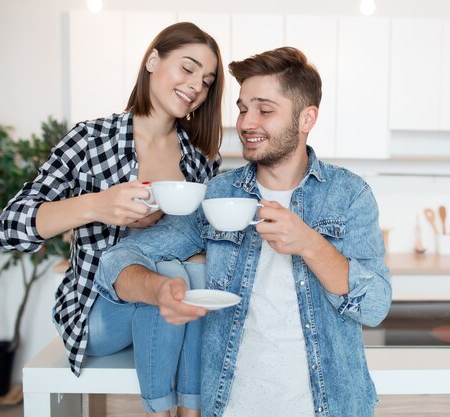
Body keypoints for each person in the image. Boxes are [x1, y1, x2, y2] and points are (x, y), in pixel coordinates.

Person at [96, 46, 392, 417]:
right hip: (231, 405)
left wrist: (310, 244)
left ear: (306, 118)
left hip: (328, 406)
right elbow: (116, 261)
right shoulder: (219, 195)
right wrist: (157, 291)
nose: (246, 123)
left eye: (265, 110)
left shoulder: (348, 195)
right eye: (242, 108)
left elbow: (376, 306)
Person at [0, 22, 224, 417]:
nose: (196, 87)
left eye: (206, 81)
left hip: (172, 311)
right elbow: (8, 227)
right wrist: (98, 206)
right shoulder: (90, 140)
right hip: (95, 312)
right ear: (153, 60)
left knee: (181, 279)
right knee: (167, 283)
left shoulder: (200, 160)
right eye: (187, 68)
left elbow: (205, 244)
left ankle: (192, 410)